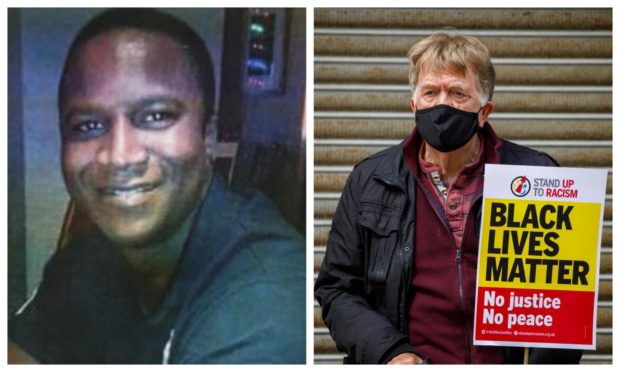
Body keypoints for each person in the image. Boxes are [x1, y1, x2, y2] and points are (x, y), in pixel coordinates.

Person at [8, 8, 305, 364]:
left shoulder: (268, 302)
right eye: (87, 126)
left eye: (155, 116)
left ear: (208, 137)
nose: (119, 156)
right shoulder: (89, 257)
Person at [314, 32, 582, 364]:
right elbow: (337, 289)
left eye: (457, 93)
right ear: (413, 105)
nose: (442, 104)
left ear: (484, 112)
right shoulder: (370, 180)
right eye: (430, 92)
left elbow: (568, 299)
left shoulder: (540, 176)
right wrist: (390, 353)